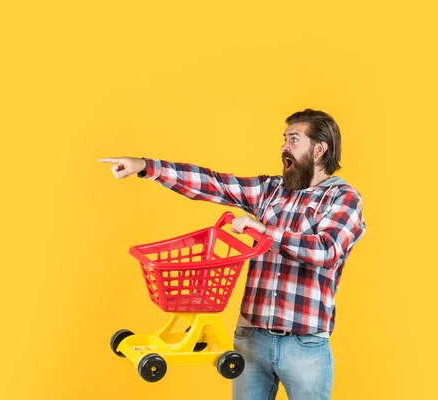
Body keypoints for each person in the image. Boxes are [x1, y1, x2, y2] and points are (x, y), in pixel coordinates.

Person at [98, 109, 366, 400]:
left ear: (319, 149)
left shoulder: (343, 198)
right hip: (251, 339)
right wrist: (146, 167)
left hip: (305, 345)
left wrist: (266, 232)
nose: (283, 147)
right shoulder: (270, 190)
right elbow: (214, 183)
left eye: (293, 139)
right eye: (283, 139)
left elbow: (326, 250)